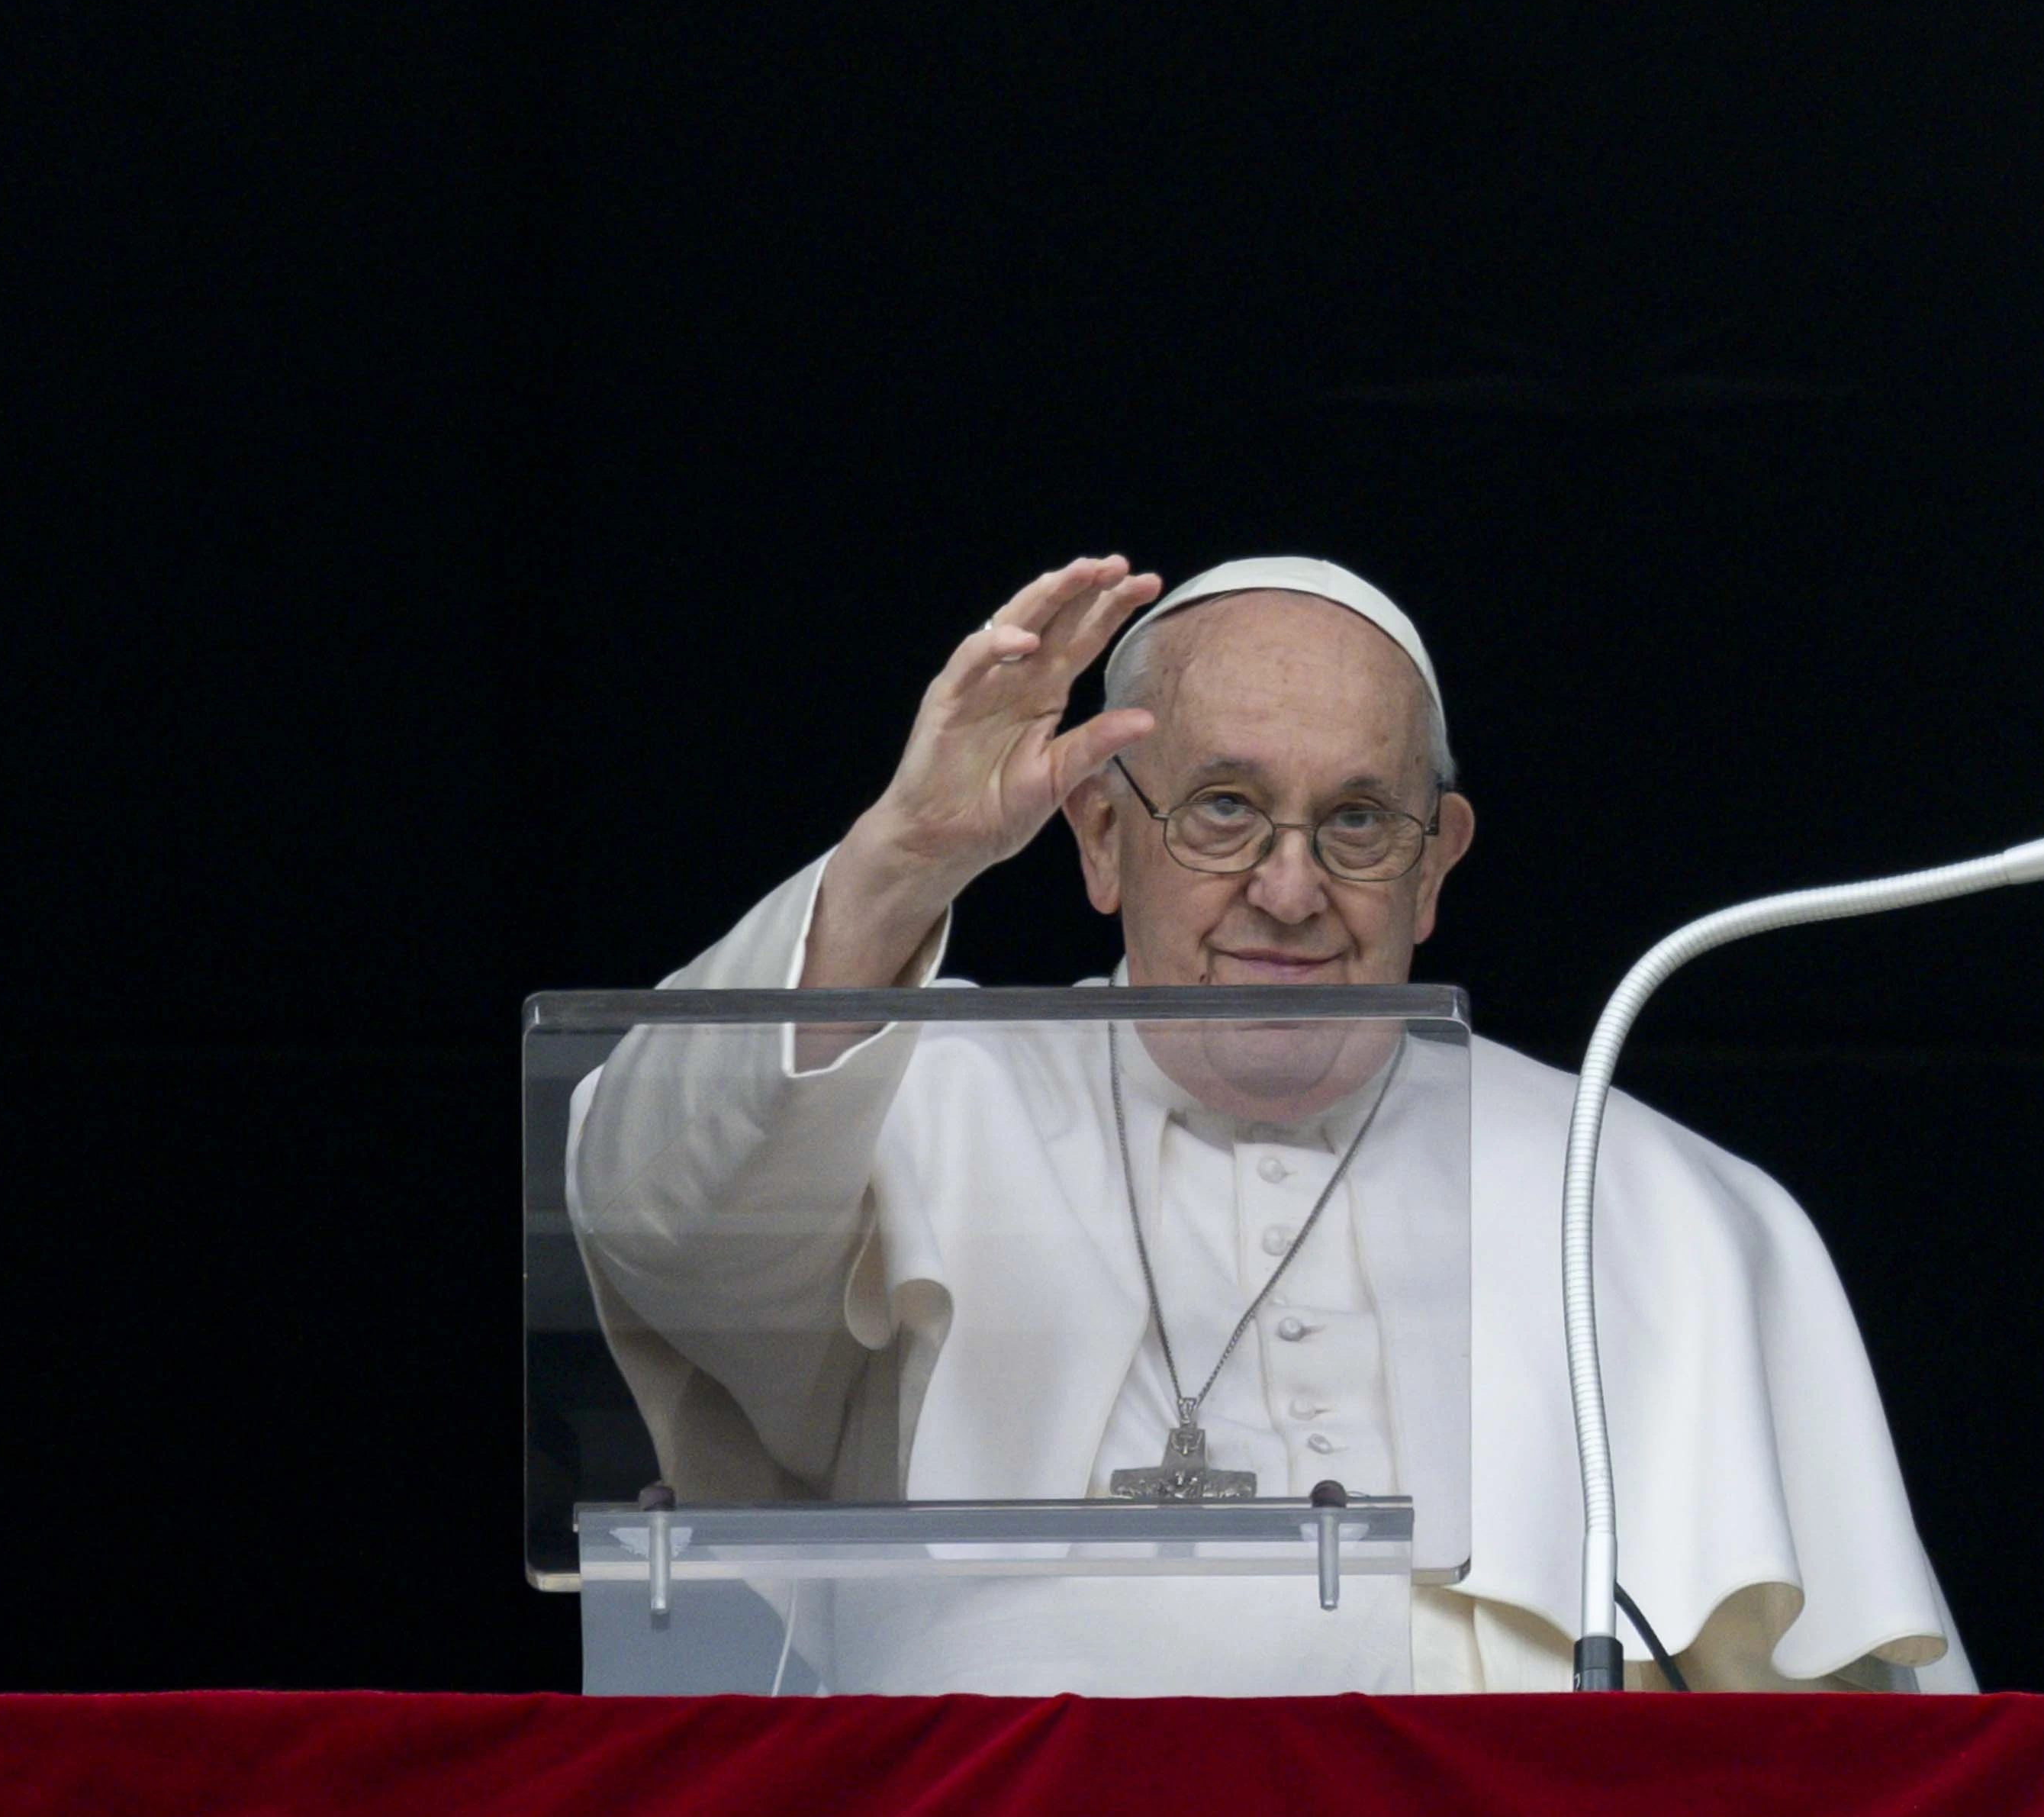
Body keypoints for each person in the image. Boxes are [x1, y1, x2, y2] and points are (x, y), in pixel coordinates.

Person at [569, 554, 1965, 1693]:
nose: (1288, 890)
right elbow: (659, 1228)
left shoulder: (1651, 1196)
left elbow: (1842, 1766)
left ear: (1436, 868)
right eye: (1223, 811)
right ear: (1103, 840)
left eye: (1358, 822)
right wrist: (898, 871)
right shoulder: (914, 1086)